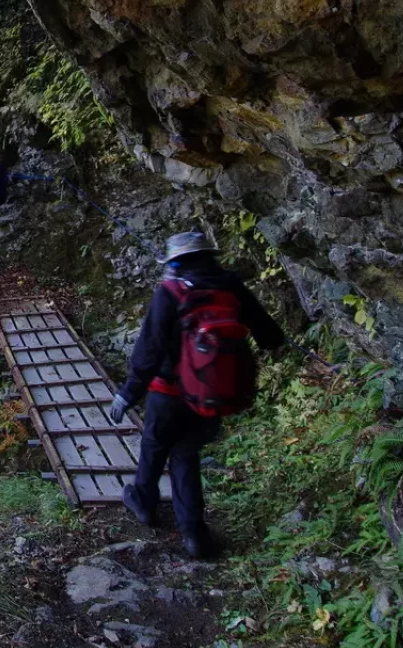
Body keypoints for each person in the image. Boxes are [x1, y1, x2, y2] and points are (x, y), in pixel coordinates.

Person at [108, 231, 284, 558]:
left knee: (154, 444)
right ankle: (193, 534)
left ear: (175, 262)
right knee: (185, 455)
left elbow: (149, 348)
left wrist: (127, 394)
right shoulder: (230, 287)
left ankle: (144, 503)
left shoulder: (170, 292)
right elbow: (270, 335)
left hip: (166, 391)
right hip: (208, 396)